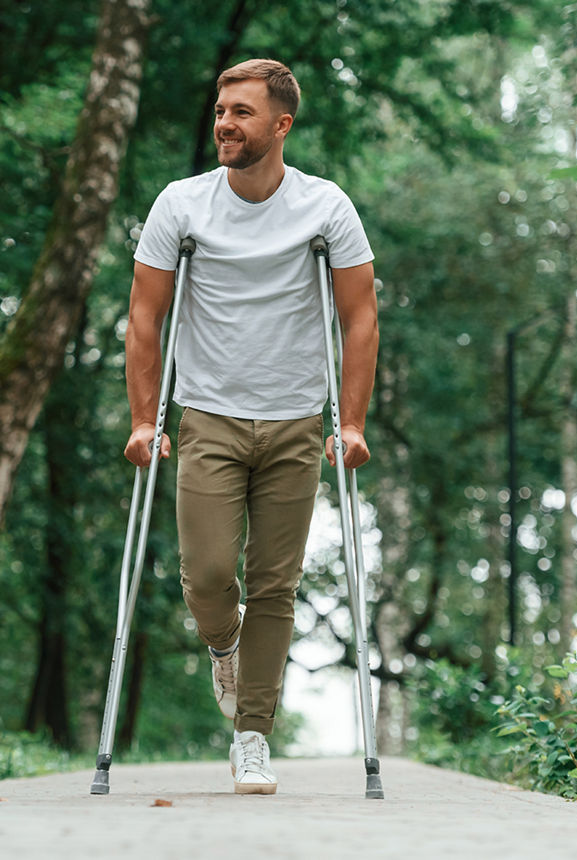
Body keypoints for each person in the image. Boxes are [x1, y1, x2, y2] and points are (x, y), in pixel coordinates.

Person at [124, 58, 378, 795]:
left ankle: (252, 736)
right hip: (207, 415)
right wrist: (146, 419)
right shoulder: (183, 205)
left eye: (240, 112)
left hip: (298, 419)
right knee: (208, 577)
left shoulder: (326, 207)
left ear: (281, 124)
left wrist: (351, 422)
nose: (225, 124)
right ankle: (222, 645)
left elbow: (359, 320)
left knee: (275, 584)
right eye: (220, 111)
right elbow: (145, 319)